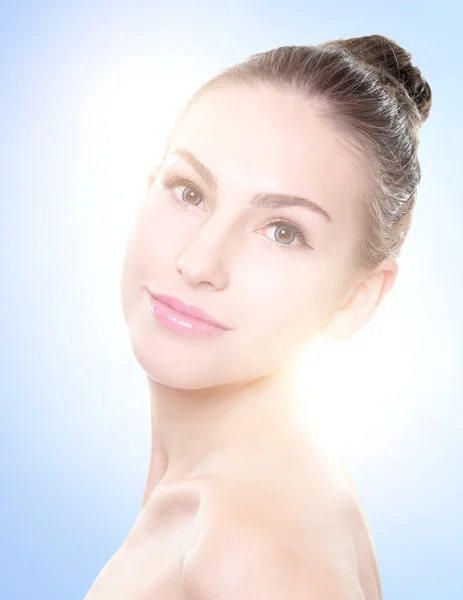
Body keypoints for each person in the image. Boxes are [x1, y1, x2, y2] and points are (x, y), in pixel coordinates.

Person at [84, 34, 432, 599]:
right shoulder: (235, 500)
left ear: (358, 296)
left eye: (283, 232)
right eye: (189, 192)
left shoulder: (249, 541)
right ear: (149, 189)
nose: (198, 262)